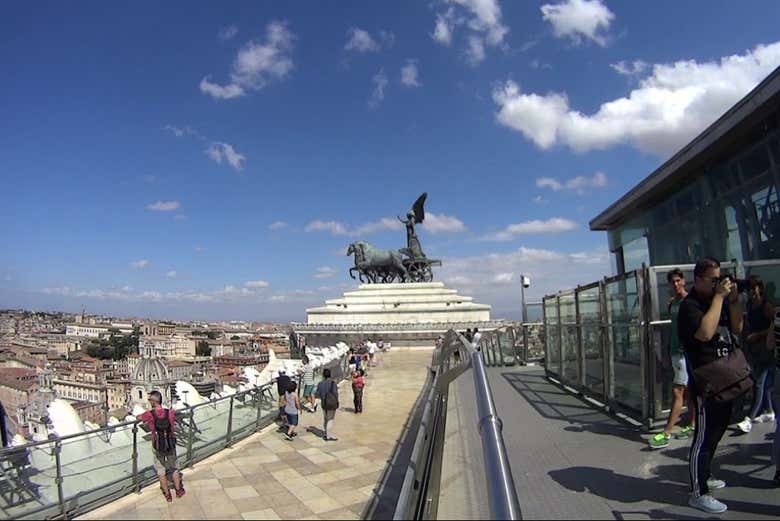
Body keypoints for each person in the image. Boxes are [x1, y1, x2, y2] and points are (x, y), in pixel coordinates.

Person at [678, 257, 744, 514]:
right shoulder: (690, 306)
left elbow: (737, 327)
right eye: (713, 280)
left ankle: (704, 475)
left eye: (720, 279)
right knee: (704, 437)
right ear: (699, 278)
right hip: (707, 382)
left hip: (727, 376)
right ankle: (698, 492)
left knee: (716, 433)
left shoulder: (720, 301)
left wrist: (734, 300)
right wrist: (718, 298)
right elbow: (705, 334)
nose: (719, 284)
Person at [649, 269, 696, 449]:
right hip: (676, 352)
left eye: (678, 281)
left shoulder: (690, 301)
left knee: (678, 392)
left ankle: (667, 432)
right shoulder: (673, 303)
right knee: (689, 391)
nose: (676, 284)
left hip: (686, 353)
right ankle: (691, 424)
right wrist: (669, 352)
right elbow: (673, 329)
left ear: (683, 281)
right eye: (673, 282)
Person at [737, 277, 776, 432]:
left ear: (760, 288)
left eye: (754, 288)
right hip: (756, 349)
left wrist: (759, 335)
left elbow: (774, 326)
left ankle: (749, 418)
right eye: (749, 289)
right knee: (764, 385)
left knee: (759, 383)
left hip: (767, 348)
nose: (752, 292)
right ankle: (769, 411)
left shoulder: (766, 306)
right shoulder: (750, 305)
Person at [136, 390, 185, 502]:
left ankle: (167, 495)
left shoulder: (149, 414)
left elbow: (138, 418)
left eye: (150, 400)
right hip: (170, 443)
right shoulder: (170, 412)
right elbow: (173, 424)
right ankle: (178, 490)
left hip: (157, 444)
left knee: (161, 471)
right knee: (174, 468)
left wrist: (139, 416)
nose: (149, 402)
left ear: (153, 402)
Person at [315, 368, 339, 441]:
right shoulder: (333, 383)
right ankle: (328, 436)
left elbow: (317, 394)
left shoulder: (320, 383)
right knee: (330, 419)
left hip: (324, 403)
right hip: (331, 404)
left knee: (325, 419)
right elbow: (335, 393)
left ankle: (326, 433)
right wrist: (337, 401)